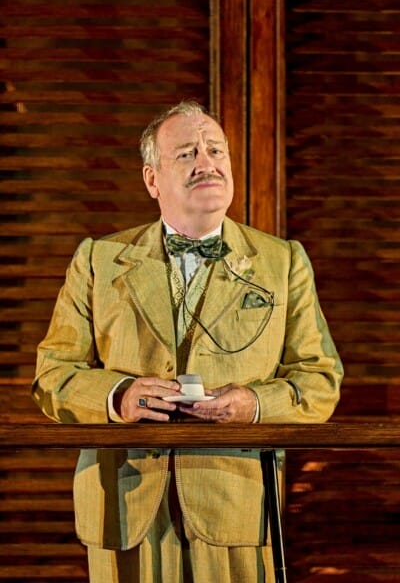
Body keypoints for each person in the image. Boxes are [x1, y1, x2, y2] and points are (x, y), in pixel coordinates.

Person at [32, 100, 343, 583]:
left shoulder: (283, 262)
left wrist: (253, 404)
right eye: (186, 154)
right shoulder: (98, 260)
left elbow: (320, 380)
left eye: (215, 150)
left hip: (235, 502)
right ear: (152, 179)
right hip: (122, 505)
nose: (206, 163)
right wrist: (119, 396)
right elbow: (53, 374)